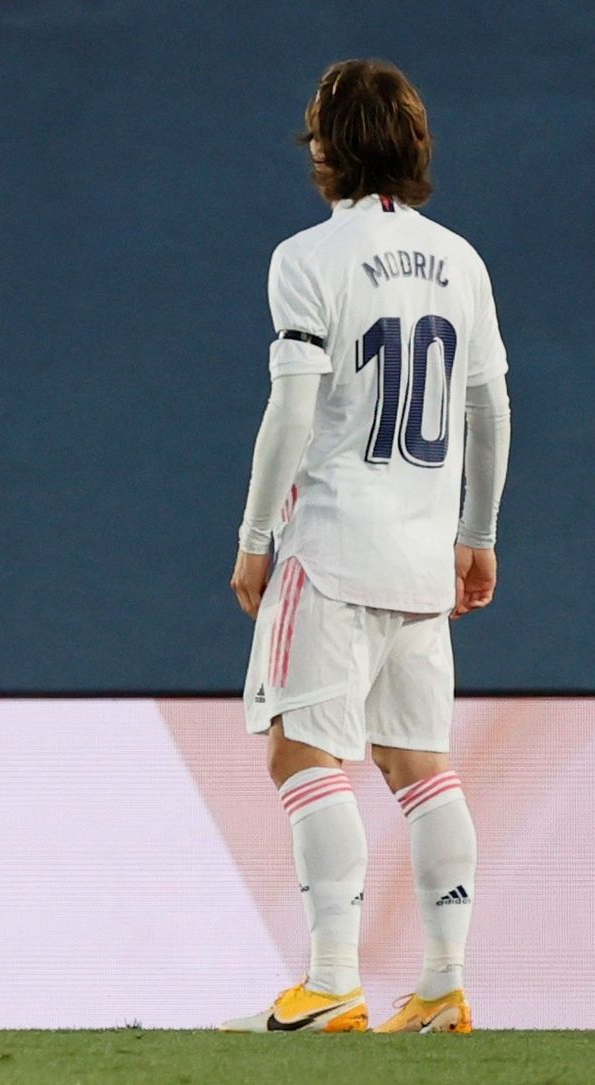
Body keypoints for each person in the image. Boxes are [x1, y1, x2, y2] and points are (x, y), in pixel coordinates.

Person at [219, 59, 510, 1035]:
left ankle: (331, 975)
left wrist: (256, 535)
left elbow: (292, 406)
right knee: (420, 763)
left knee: (302, 749)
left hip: (335, 542)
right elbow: (489, 406)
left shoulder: (308, 257)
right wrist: (475, 532)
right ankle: (442, 981)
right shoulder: (461, 259)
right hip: (424, 548)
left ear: (323, 148)